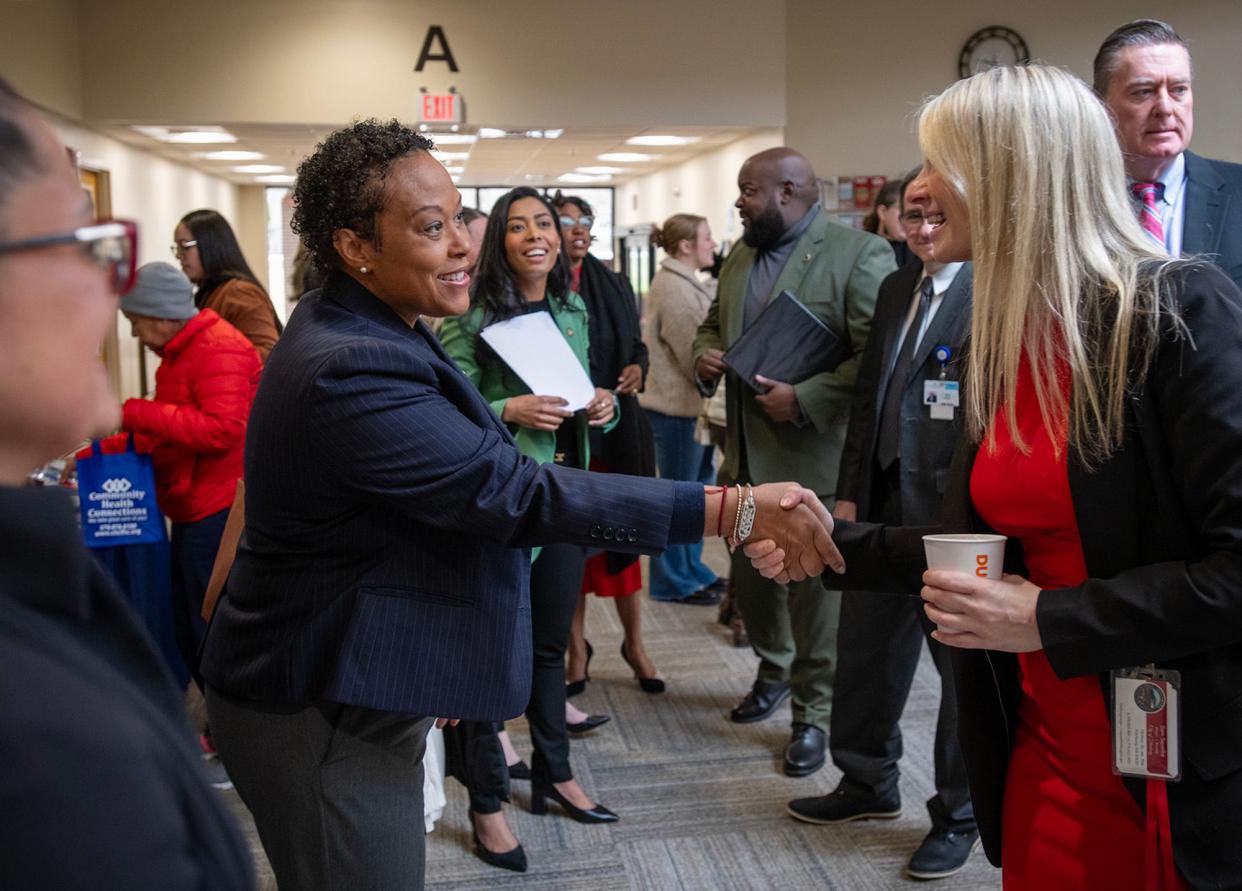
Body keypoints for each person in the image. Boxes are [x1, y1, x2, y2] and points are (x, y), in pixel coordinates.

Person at [198, 119, 839, 891]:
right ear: (355, 246)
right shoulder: (351, 362)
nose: (466, 244)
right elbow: (510, 492)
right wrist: (729, 508)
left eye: (458, 218)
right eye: (432, 229)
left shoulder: (368, 322)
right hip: (320, 704)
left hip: (355, 670)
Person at [749, 64, 1242, 890]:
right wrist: (836, 545)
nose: (924, 190)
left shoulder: (1179, 313)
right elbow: (987, 550)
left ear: (1015, 176)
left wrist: (1050, 616)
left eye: (945, 166)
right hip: (1038, 742)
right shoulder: (1006, 332)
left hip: (1159, 766)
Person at [0, 75, 253, 890]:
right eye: (81, 246)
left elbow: (222, 429)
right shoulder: (42, 739)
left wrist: (139, 415)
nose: (101, 291)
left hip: (208, 504)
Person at [786, 168, 978, 880]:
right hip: (876, 505)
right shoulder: (900, 285)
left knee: (959, 674)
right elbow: (870, 398)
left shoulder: (994, 291)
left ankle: (958, 812)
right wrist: (845, 496)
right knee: (864, 654)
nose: (924, 227)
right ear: (894, 218)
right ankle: (867, 780)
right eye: (912, 213)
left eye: (937, 213)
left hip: (954, 518)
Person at [694, 147, 894, 777]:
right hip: (746, 464)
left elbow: (878, 357)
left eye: (747, 190)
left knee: (816, 602)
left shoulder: (860, 255)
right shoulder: (741, 255)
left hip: (814, 463)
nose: (738, 202)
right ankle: (774, 672)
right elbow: (709, 325)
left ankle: (812, 712)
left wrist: (806, 397)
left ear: (787, 191)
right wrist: (705, 354)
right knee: (753, 586)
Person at [439, 186, 623, 868]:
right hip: (502, 503)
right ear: (500, 243)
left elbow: (587, 407)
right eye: (516, 227)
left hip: (565, 497)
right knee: (490, 657)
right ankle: (486, 802)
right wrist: (507, 406)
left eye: (543, 222)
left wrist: (603, 407)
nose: (534, 235)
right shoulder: (470, 314)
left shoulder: (571, 307)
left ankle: (555, 771)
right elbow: (446, 407)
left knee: (551, 648)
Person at [84, 262, 260, 691]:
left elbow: (222, 429)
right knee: (187, 621)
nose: (135, 335)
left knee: (210, 625)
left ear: (162, 315)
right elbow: (173, 433)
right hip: (190, 502)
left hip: (215, 509)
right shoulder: (181, 354)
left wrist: (131, 411)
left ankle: (227, 726)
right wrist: (100, 450)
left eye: (135, 321)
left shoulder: (219, 349)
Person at [551, 192, 663, 695]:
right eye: (567, 221)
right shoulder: (543, 286)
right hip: (566, 435)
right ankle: (577, 649)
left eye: (585, 220)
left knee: (622, 543)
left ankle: (634, 644)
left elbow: (635, 343)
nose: (578, 229)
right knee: (570, 549)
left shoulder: (613, 281)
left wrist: (640, 365)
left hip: (617, 434)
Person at [1094, 19, 1242, 289]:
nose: (1165, 107)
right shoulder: (1077, 202)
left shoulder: (1238, 191)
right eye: (1143, 92)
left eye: (1178, 90)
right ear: (1101, 106)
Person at [640, 213, 726, 605]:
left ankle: (693, 571)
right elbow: (695, 353)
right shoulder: (675, 288)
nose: (713, 243)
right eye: (707, 237)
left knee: (696, 498)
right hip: (675, 412)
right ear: (686, 246)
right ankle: (672, 580)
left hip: (692, 410)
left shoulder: (686, 281)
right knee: (678, 502)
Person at [174, 208, 282, 361]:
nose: (179, 255)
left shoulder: (239, 292)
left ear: (210, 245)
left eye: (185, 245)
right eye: (177, 247)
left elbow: (267, 354)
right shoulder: (208, 292)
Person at [863, 178, 913, 266]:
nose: (909, 217)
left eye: (913, 212)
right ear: (882, 212)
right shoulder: (862, 247)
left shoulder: (917, 248)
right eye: (902, 208)